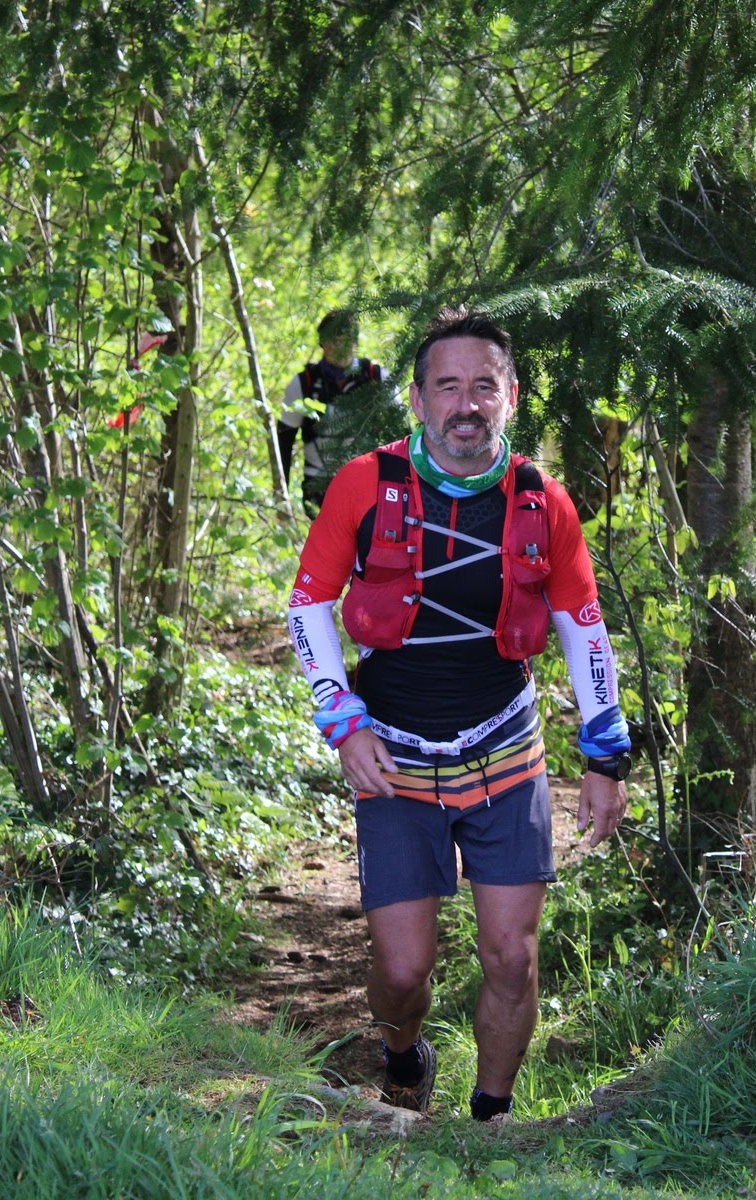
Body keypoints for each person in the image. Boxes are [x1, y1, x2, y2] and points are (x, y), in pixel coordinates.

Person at [285, 307, 634, 1123]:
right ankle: (404, 1058)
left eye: (484, 386)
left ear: (511, 397)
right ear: (417, 399)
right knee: (402, 972)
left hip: (505, 748)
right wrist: (343, 720)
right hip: (393, 755)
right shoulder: (364, 485)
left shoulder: (543, 501)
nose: (466, 404)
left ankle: (491, 1123)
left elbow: (584, 628)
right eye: (447, 387)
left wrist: (605, 754)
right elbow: (308, 605)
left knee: (511, 956)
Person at [276, 308, 399, 514]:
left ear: (356, 342)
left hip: (368, 483)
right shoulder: (304, 383)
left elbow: (401, 434)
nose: (340, 347)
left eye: (347, 340)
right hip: (319, 484)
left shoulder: (377, 378)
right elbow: (283, 441)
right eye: (334, 340)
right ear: (322, 343)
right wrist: (281, 496)